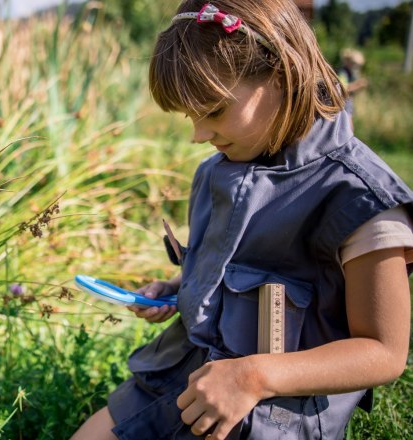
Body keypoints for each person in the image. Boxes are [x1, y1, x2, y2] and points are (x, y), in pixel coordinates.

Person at [71, 1, 413, 439]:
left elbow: (384, 352)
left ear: (281, 73)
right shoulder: (217, 170)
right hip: (178, 382)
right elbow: (232, 270)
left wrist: (253, 376)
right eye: (190, 115)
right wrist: (177, 290)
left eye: (212, 111)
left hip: (269, 416)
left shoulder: (359, 198)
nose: (198, 134)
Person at [337, 48, 369, 128]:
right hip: (343, 103)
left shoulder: (352, 73)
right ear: (349, 62)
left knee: (349, 127)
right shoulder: (343, 72)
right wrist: (358, 85)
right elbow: (343, 88)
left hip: (348, 102)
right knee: (348, 127)